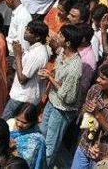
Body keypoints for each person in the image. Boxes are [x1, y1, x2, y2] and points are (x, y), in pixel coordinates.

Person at [40, 25, 83, 168]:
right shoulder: (62, 54)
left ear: (68, 42)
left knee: (50, 145)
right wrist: (50, 75)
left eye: (61, 36)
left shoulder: (74, 68)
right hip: (52, 102)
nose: (58, 36)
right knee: (43, 135)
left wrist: (50, 78)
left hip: (62, 109)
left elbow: (68, 98)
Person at [71, 65, 108, 169]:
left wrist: (97, 115)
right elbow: (81, 117)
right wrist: (86, 110)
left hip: (101, 154)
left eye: (103, 78)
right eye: (99, 76)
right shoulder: (95, 90)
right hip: (84, 145)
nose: (98, 80)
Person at [3, 20, 48, 119]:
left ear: (37, 37)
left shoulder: (37, 53)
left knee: (6, 124)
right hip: (20, 96)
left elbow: (23, 79)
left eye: (29, 31)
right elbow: (19, 68)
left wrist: (18, 56)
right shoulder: (32, 49)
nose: (25, 31)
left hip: (22, 98)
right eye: (26, 28)